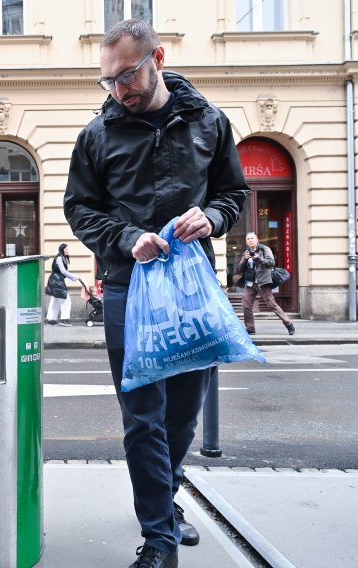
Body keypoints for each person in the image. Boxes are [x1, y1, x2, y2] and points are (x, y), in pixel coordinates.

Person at [64, 19, 250, 568]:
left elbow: (233, 191)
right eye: (108, 81)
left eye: (127, 75)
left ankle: (165, 500)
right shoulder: (97, 135)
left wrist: (213, 219)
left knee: (182, 414)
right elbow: (79, 208)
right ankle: (159, 539)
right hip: (127, 286)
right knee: (143, 416)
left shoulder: (209, 123)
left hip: (192, 286)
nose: (119, 88)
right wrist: (126, 238)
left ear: (158, 58)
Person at [236, 232, 295, 335]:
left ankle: (288, 323)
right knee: (246, 306)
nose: (250, 240)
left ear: (257, 240)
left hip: (262, 283)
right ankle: (250, 328)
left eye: (252, 238)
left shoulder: (264, 249)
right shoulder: (246, 252)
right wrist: (245, 259)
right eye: (248, 239)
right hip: (250, 283)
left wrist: (258, 258)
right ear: (246, 242)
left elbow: (271, 263)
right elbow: (240, 269)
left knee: (272, 305)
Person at [44, 243, 78, 327]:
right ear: (62, 249)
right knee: (66, 300)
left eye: (67, 249)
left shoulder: (61, 257)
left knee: (55, 300)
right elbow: (63, 271)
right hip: (57, 281)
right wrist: (74, 277)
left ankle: (51, 319)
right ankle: (64, 320)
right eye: (66, 249)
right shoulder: (59, 258)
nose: (67, 250)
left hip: (55, 280)